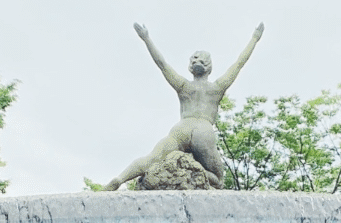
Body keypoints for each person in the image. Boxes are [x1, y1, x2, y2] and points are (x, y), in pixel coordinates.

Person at [102, 22, 264, 190]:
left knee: (152, 159)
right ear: (209, 68)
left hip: (182, 128)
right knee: (218, 180)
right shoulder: (217, 88)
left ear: (191, 68)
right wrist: (255, 38)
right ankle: (191, 170)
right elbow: (238, 64)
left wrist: (146, 38)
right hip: (203, 129)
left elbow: (162, 64)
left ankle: (120, 179)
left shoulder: (183, 86)